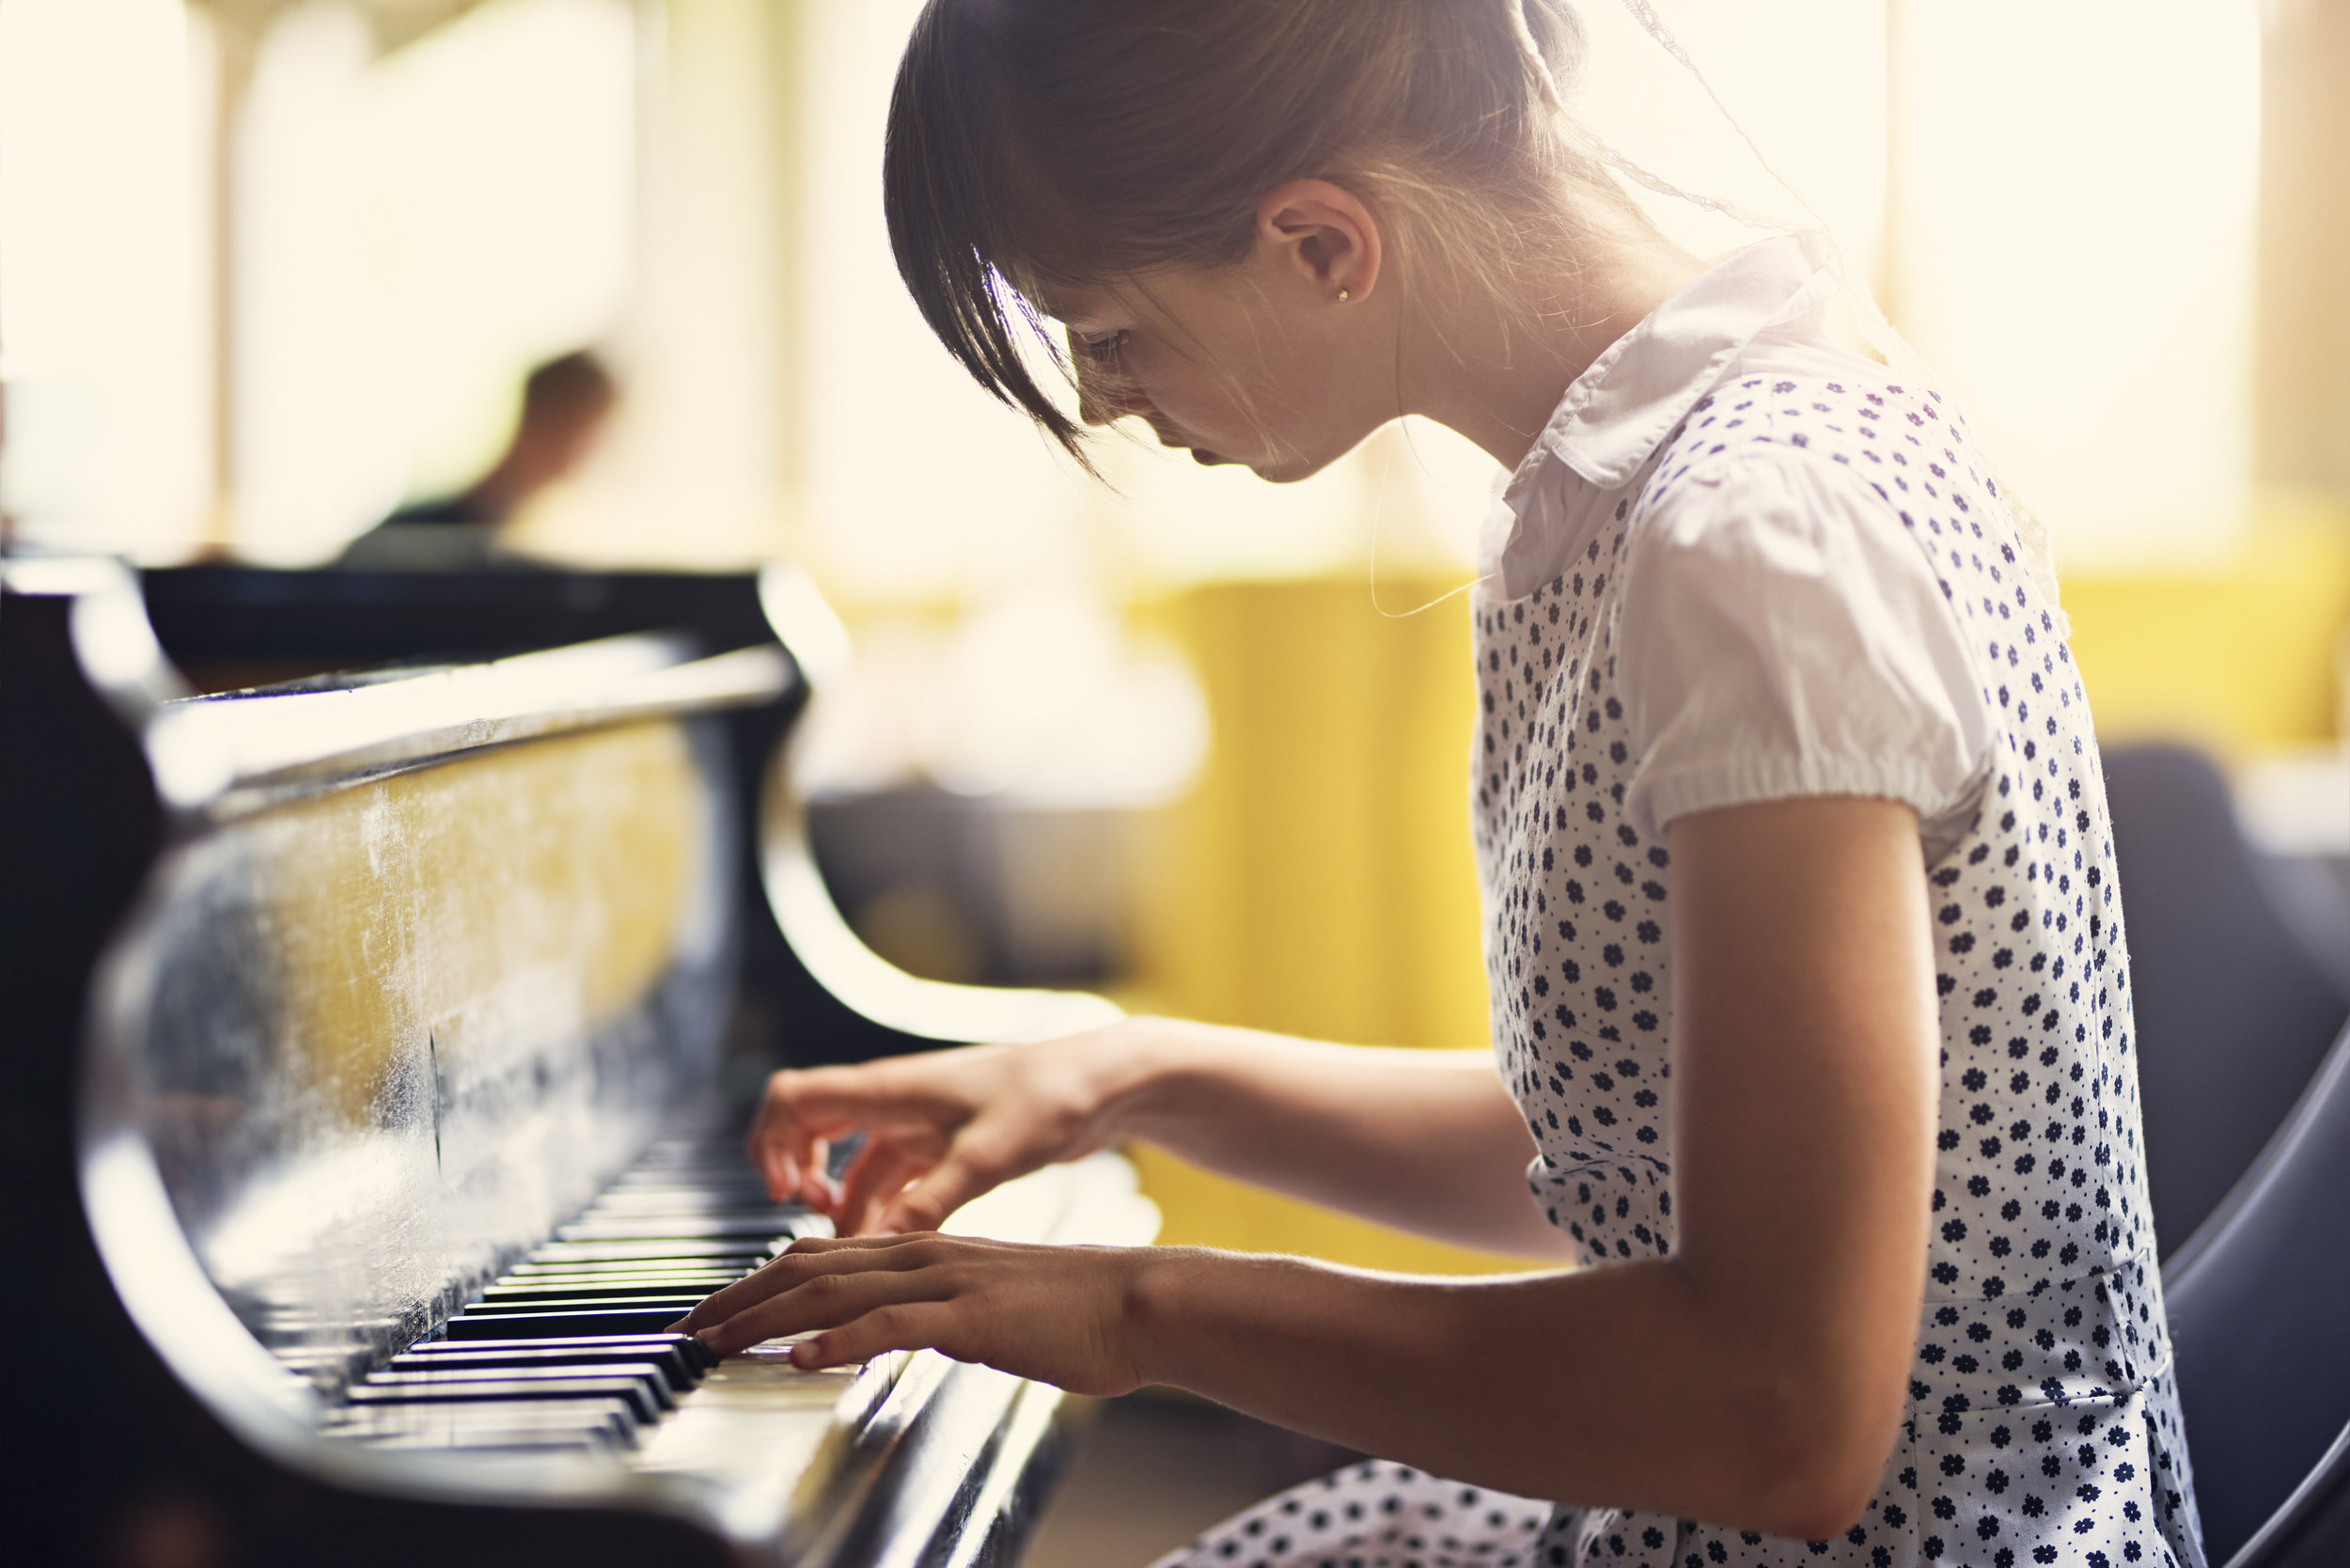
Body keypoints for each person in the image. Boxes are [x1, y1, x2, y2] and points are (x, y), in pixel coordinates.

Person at [670, 5, 2205, 1566]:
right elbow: (1629, 1164)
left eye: (1114, 333)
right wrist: (1130, 1076)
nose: (1106, 399)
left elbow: (1781, 1412)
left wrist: (1134, 1307)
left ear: (1324, 245)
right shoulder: (1650, 489)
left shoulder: (1753, 537)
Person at [337, 350, 616, 569]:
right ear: (542, 419)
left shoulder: (521, 545)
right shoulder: (407, 544)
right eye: (587, 434)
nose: (591, 456)